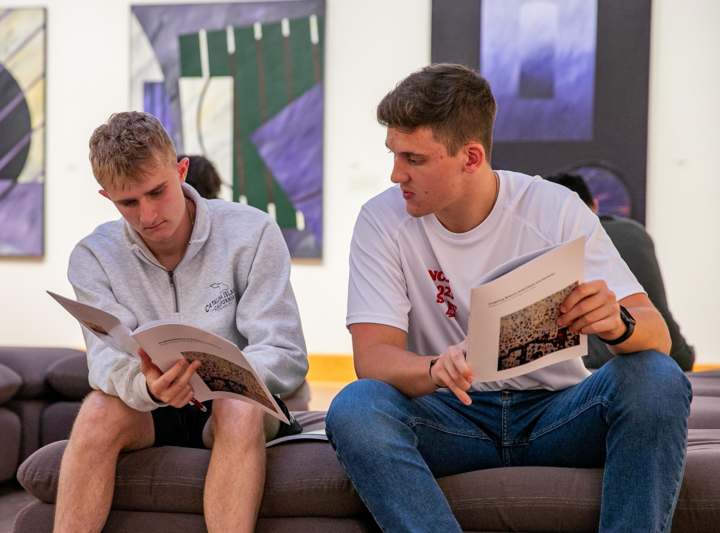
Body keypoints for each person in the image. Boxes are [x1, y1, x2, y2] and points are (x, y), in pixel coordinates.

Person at [325, 64, 691, 532]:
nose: (396, 174)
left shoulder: (553, 207)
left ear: (471, 157)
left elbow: (656, 337)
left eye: (414, 159)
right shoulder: (381, 221)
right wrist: (435, 368)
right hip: (451, 415)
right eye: (394, 155)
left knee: (656, 376)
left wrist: (618, 323)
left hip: (556, 413)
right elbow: (372, 357)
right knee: (357, 406)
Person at [54, 111, 308, 533]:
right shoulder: (93, 256)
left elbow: (285, 351)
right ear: (106, 197)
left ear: (181, 170)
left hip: (237, 401)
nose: (148, 215)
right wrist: (146, 386)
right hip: (153, 405)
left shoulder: (252, 232)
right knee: (98, 409)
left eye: (157, 192)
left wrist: (226, 374)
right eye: (128, 203)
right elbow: (104, 362)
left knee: (236, 408)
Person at [546, 172, 695, 371]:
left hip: (595, 363)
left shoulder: (553, 237)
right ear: (595, 204)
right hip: (667, 354)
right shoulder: (634, 232)